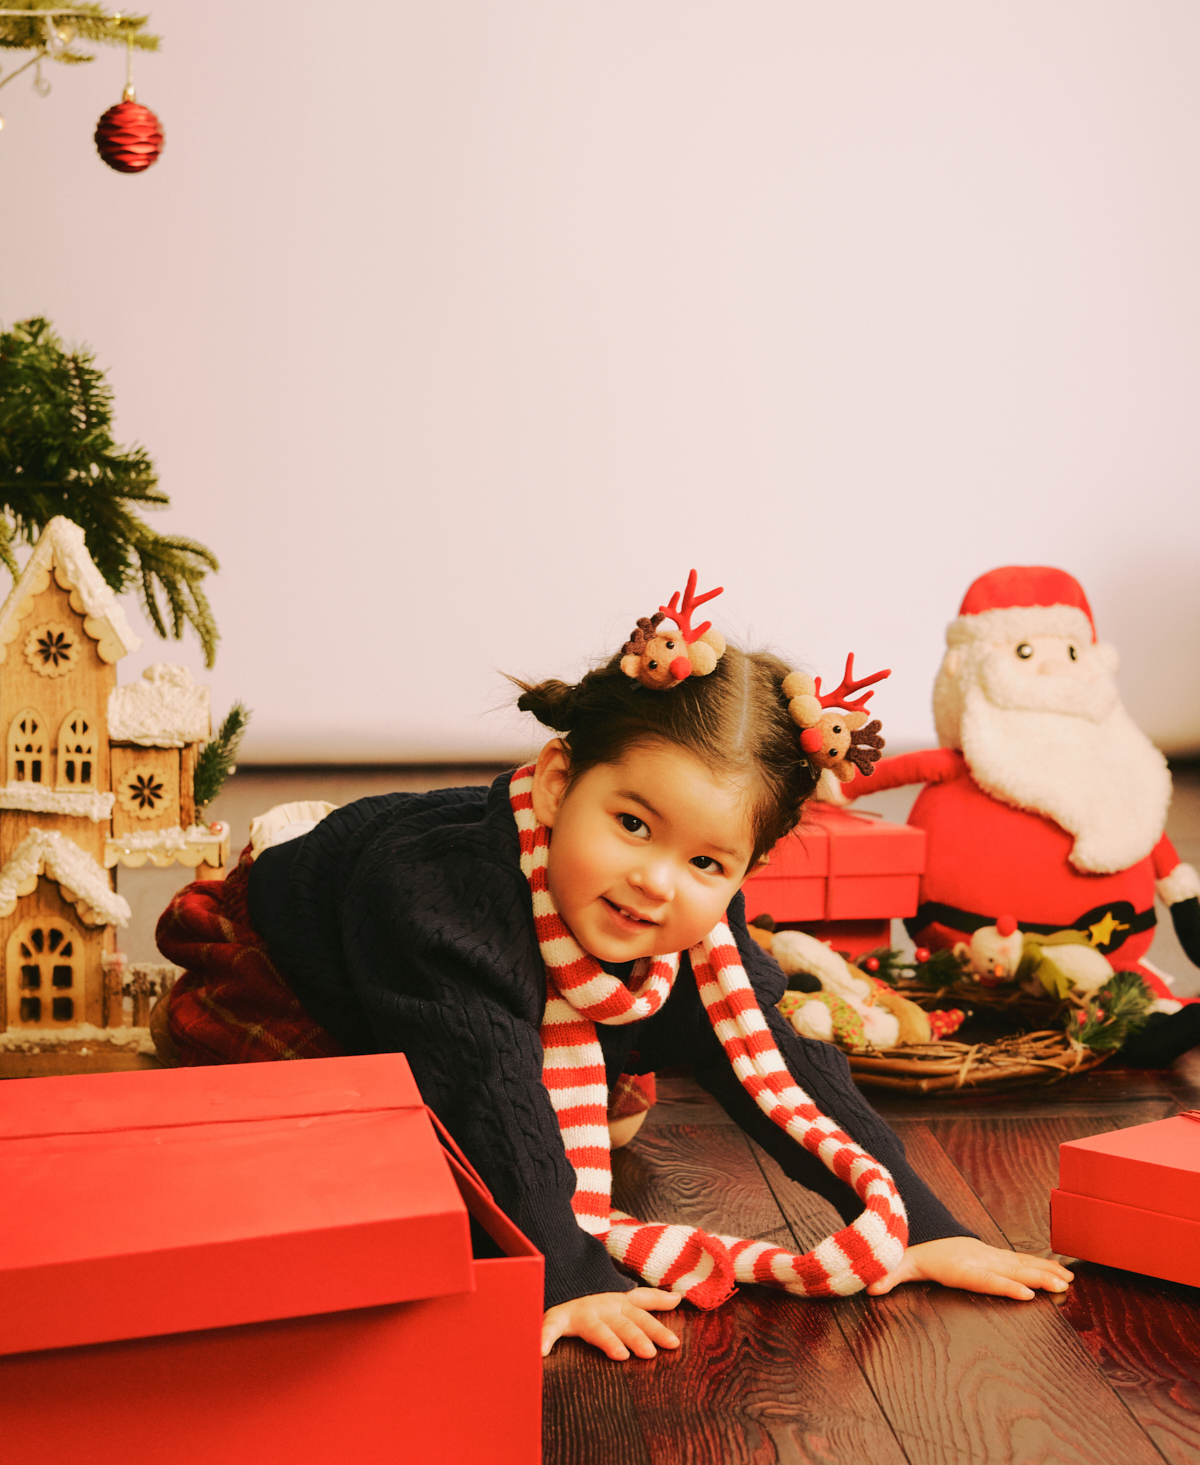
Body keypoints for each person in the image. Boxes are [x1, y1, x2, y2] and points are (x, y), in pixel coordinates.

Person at [155, 574, 1071, 1361]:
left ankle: (572, 1081)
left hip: (494, 994)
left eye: (706, 861)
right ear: (559, 783)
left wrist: (916, 1220)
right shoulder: (441, 896)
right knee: (378, 1164)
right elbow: (487, 1088)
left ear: (744, 868)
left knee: (641, 1067)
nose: (656, 881)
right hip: (292, 974)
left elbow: (777, 1061)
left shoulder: (693, 923)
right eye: (632, 823)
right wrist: (566, 1273)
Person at [839, 565, 1200, 1064]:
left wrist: (1184, 900)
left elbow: (1146, 827)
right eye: (1025, 653)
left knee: (1121, 988)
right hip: (970, 948)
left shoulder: (1118, 773)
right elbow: (882, 773)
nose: (1052, 672)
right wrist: (833, 785)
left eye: (1069, 653)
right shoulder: (965, 764)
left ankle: (1144, 1019)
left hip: (1103, 945)